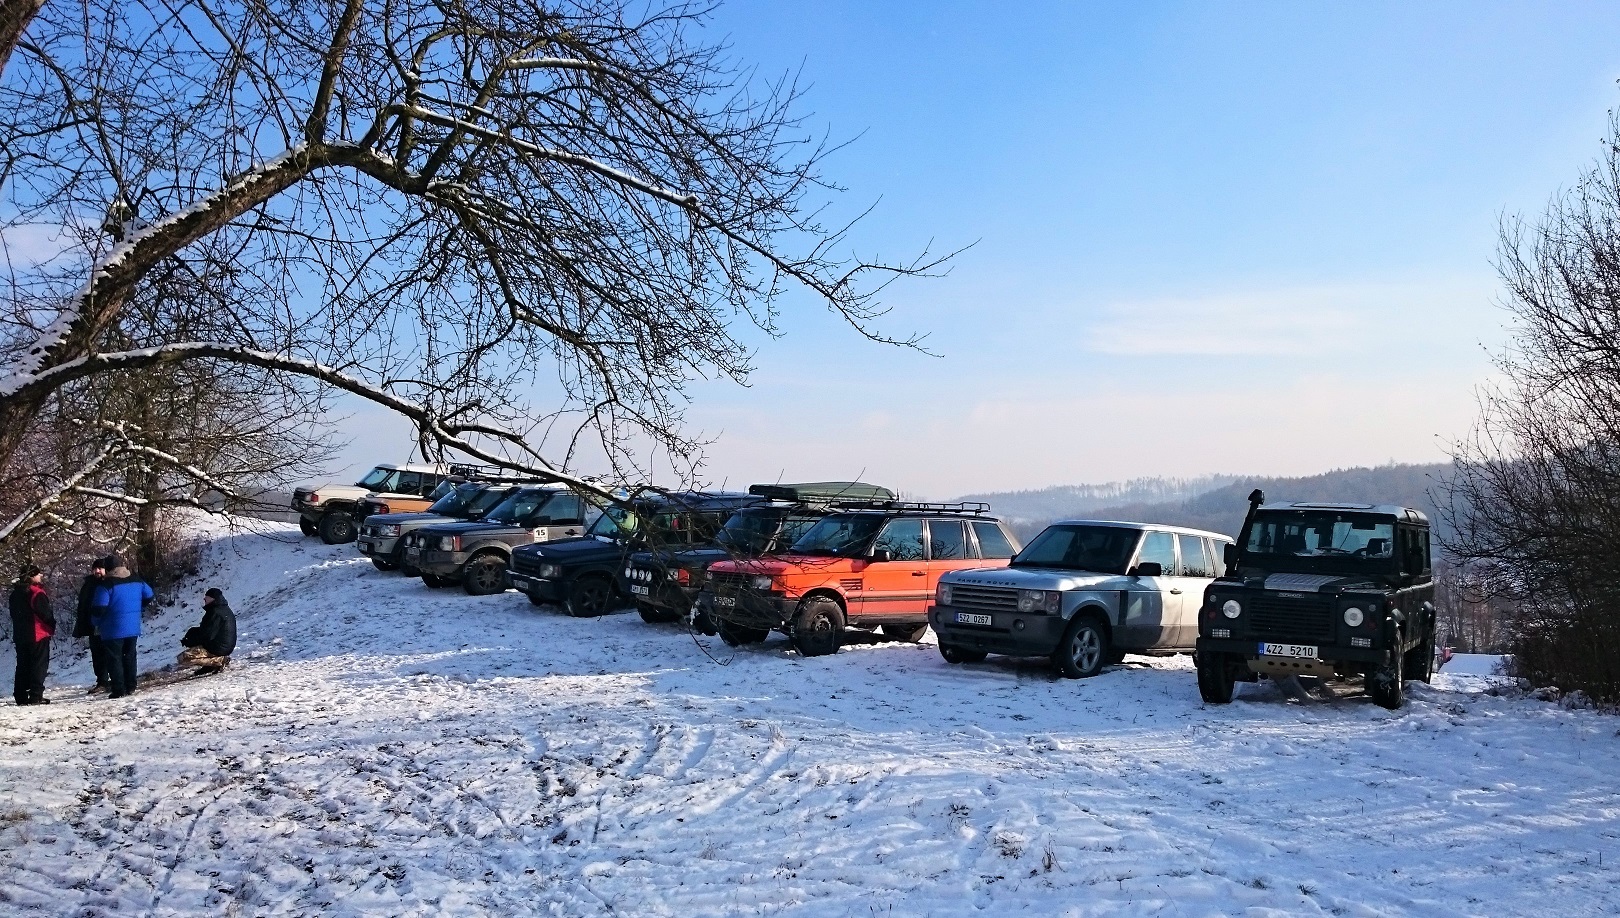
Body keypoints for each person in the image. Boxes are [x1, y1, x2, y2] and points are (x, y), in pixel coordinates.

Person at [92, 556, 152, 699]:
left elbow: (99, 608)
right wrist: (138, 607)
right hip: (133, 626)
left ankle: (119, 689)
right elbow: (149, 595)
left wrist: (95, 622)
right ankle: (131, 685)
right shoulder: (137, 580)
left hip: (112, 628)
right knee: (130, 656)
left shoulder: (106, 585)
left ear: (108, 569)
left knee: (114, 659)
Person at [9, 564, 55, 705]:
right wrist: (51, 626)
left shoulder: (15, 594)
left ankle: (20, 696)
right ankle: (36, 695)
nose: (41, 576)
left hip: (20, 634)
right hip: (37, 633)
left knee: (22, 665)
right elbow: (45, 614)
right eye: (38, 574)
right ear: (31, 576)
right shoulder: (36, 593)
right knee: (39, 665)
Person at [177, 588, 236, 674]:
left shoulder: (215, 612)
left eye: (207, 597)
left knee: (183, 658)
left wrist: (191, 641)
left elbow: (207, 635)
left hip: (219, 648)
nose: (204, 598)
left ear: (213, 598)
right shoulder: (223, 609)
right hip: (225, 646)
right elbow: (208, 630)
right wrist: (192, 632)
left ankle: (219, 661)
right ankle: (210, 664)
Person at [75, 557, 112, 694]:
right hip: (92, 625)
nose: (97, 571)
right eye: (95, 568)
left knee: (110, 653)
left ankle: (115, 679)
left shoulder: (109, 583)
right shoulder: (88, 584)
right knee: (97, 655)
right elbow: (83, 605)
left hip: (109, 624)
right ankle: (102, 681)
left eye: (100, 568)